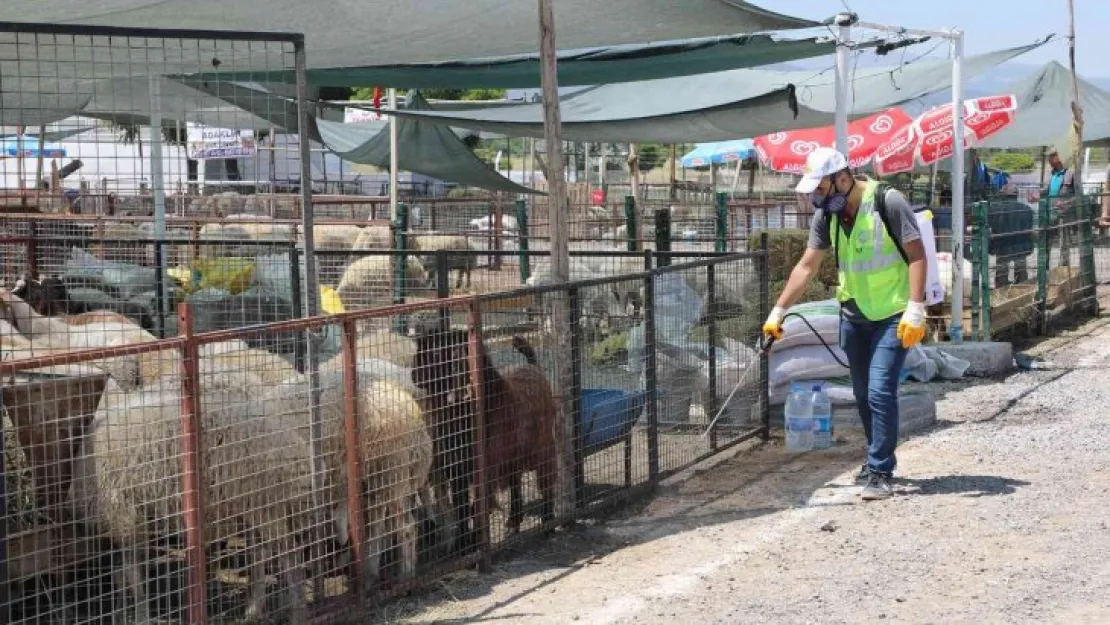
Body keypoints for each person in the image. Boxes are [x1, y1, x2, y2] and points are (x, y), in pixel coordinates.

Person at [762, 147, 928, 501]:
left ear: (842, 177)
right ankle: (875, 460)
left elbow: (917, 255)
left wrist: (916, 307)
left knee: (881, 390)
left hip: (893, 314)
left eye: (820, 189)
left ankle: (881, 470)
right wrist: (778, 312)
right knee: (864, 393)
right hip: (854, 315)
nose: (816, 197)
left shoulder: (888, 202)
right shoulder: (828, 216)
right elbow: (807, 266)